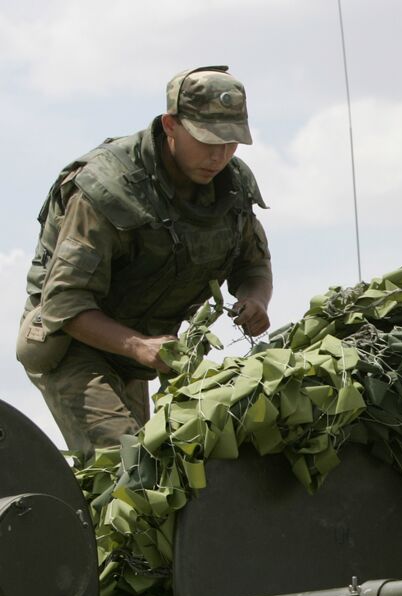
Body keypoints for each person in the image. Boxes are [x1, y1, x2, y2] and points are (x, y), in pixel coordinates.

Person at [17, 65, 273, 456]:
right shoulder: (107, 188)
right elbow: (64, 304)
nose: (219, 155)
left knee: (156, 465)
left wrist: (256, 300)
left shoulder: (233, 185)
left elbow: (252, 266)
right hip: (72, 341)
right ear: (171, 125)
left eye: (231, 142)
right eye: (207, 141)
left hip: (137, 349)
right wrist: (138, 345)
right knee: (127, 463)